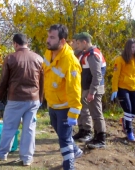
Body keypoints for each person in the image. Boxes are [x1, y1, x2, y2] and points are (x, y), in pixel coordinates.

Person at [0, 33, 44, 166]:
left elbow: (3, 81)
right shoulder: (39, 58)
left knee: (9, 127)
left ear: (15, 44)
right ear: (26, 43)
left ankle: (2, 153)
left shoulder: (11, 58)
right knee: (29, 129)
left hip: (16, 98)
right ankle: (27, 158)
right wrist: (41, 98)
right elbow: (43, 81)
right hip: (33, 99)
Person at [43, 24, 82, 170]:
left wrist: (74, 113)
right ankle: (76, 151)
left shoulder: (70, 61)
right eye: (48, 36)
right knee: (61, 133)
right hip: (52, 104)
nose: (48, 40)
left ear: (62, 41)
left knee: (64, 140)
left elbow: (74, 90)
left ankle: (69, 166)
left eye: (52, 37)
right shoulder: (49, 52)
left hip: (65, 108)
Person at [75, 32, 107, 149]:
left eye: (78, 43)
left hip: (94, 89)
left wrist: (92, 92)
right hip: (88, 88)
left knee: (96, 114)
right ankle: (91, 134)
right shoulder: (86, 53)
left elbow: (97, 75)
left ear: (85, 42)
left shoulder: (93, 54)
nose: (77, 45)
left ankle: (101, 138)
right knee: (89, 111)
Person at [111, 38, 135, 141]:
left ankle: (125, 120)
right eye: (131, 47)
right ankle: (129, 131)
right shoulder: (120, 59)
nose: (133, 49)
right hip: (123, 88)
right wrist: (114, 89)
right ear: (127, 47)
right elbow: (116, 75)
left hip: (134, 88)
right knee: (128, 109)